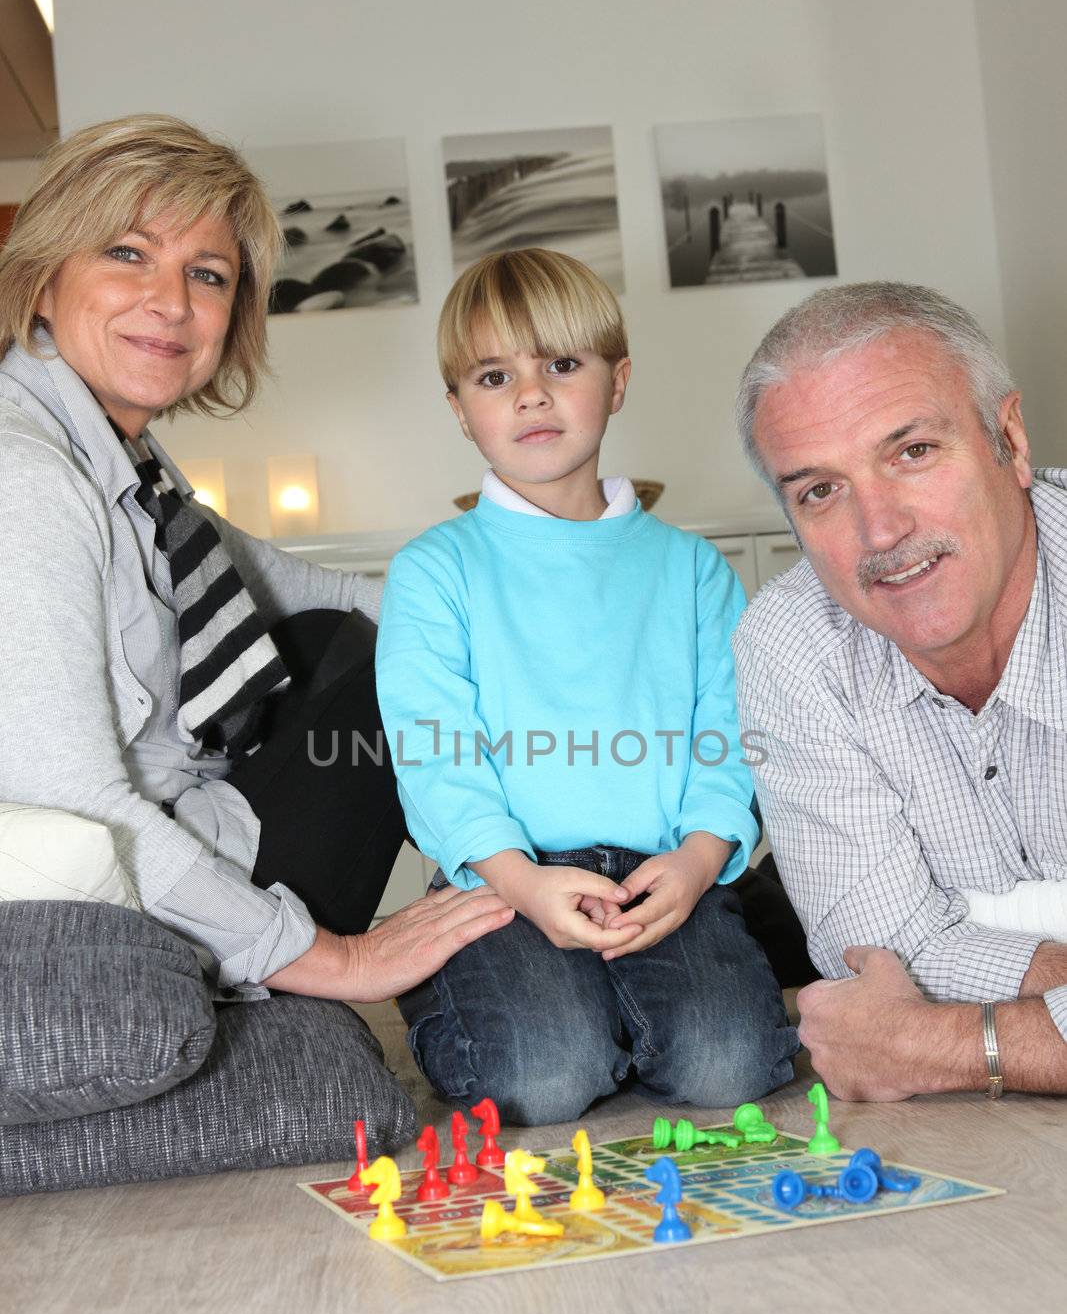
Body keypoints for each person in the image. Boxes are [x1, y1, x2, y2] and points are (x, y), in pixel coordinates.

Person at [0, 114, 513, 1007]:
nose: (171, 303)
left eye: (207, 275)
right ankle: (541, 896)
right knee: (401, 680)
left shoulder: (126, 461)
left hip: (198, 810)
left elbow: (301, 586)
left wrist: (544, 615)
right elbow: (79, 807)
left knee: (342, 635)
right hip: (146, 898)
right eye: (128, 254)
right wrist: (334, 960)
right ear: (42, 279)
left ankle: (580, 867)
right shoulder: (26, 478)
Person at [375, 248, 797, 1124]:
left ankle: (625, 1012)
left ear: (616, 381)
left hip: (662, 874)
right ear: (459, 411)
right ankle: (472, 995)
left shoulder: (691, 570)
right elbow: (435, 755)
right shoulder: (433, 570)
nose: (531, 395)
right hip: (501, 883)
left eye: (562, 365)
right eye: (495, 376)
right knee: (544, 1079)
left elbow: (727, 735)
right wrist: (519, 882)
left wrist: (698, 859)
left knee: (732, 1068)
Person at [733, 281, 1067, 1101]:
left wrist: (949, 1043)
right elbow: (874, 948)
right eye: (819, 490)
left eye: (911, 451)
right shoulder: (788, 643)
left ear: (1010, 440)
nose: (879, 531)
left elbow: (895, 1021)